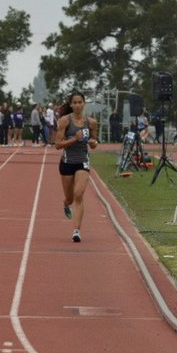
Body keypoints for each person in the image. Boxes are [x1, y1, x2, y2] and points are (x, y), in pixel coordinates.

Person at [55, 91, 100, 243]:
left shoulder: (92, 122)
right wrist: (74, 139)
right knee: (69, 198)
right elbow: (58, 145)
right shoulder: (64, 121)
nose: (77, 105)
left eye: (80, 102)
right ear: (71, 105)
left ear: (84, 103)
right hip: (67, 162)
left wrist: (94, 143)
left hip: (82, 161)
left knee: (79, 194)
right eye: (74, 103)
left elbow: (94, 142)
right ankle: (65, 203)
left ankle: (76, 231)